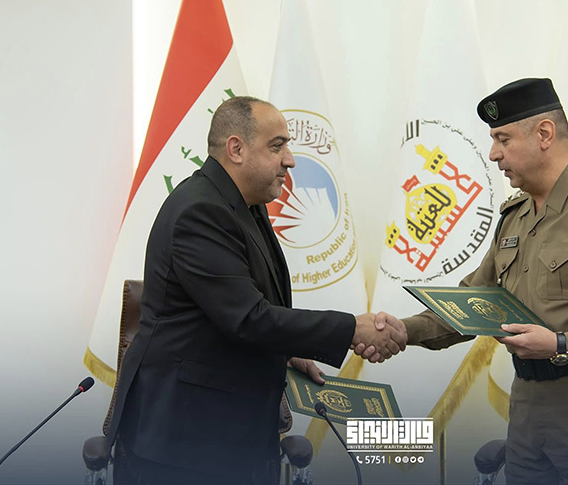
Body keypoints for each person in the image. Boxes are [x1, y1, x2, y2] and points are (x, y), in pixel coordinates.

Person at [368, 78, 568, 485]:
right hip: (529, 410)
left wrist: (562, 344)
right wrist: (403, 331)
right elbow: (475, 302)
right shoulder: (515, 214)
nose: (493, 153)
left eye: (503, 139)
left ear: (544, 134)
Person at [107, 96, 405, 484]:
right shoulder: (200, 211)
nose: (290, 160)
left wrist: (286, 350)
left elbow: (248, 305)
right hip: (184, 442)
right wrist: (352, 328)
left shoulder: (245, 204)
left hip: (228, 434)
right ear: (236, 149)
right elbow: (248, 319)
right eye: (277, 146)